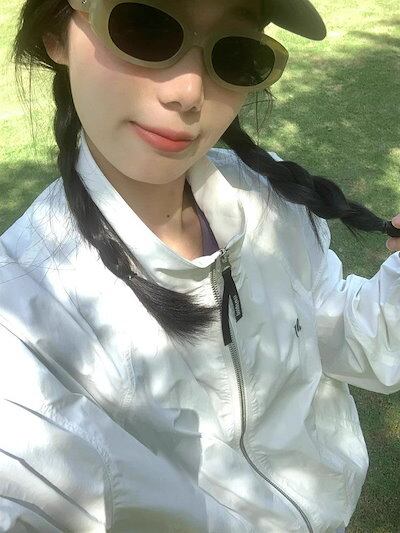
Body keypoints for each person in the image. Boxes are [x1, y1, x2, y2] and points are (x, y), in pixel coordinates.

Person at [0, 0, 399, 531]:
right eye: (143, 28)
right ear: (55, 35)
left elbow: (340, 331)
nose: (189, 92)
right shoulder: (23, 318)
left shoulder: (267, 198)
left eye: (235, 53)